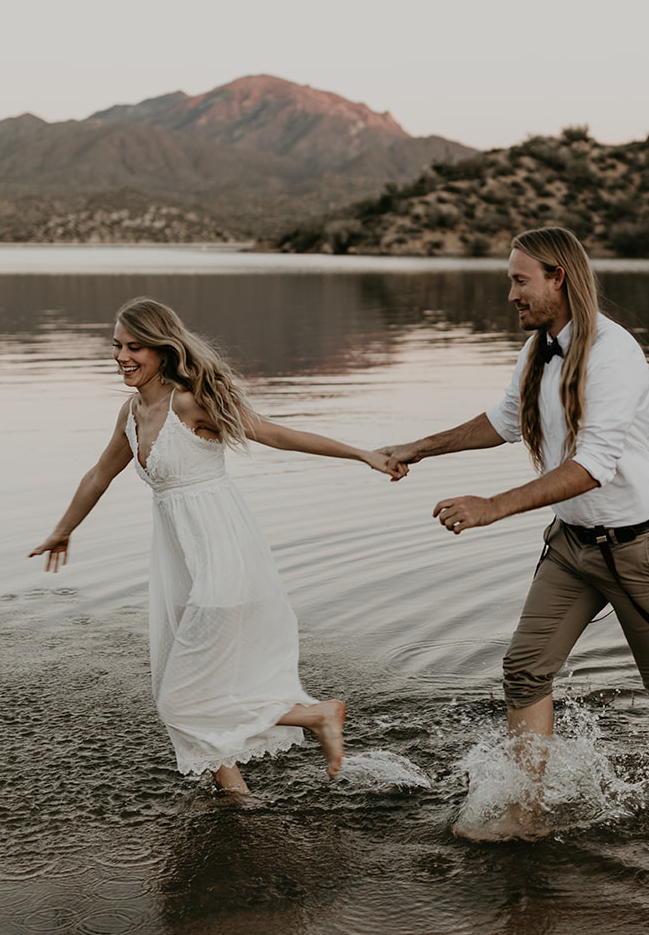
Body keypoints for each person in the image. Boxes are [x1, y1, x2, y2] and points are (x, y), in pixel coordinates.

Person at [380, 226, 649, 841]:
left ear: (558, 278)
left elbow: (593, 466)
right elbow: (504, 420)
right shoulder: (539, 347)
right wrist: (419, 448)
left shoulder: (613, 353)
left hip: (642, 546)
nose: (510, 293)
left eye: (519, 280)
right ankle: (526, 814)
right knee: (526, 669)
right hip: (572, 547)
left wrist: (492, 506)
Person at [30, 296, 406, 795]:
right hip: (178, 561)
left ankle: (315, 715)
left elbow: (273, 433)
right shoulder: (132, 409)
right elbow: (101, 473)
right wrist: (64, 528)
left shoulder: (190, 401)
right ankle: (237, 798)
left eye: (135, 346)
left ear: (163, 349)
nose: (122, 356)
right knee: (189, 685)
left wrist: (362, 454)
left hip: (222, 554)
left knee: (179, 699)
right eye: (117, 345)